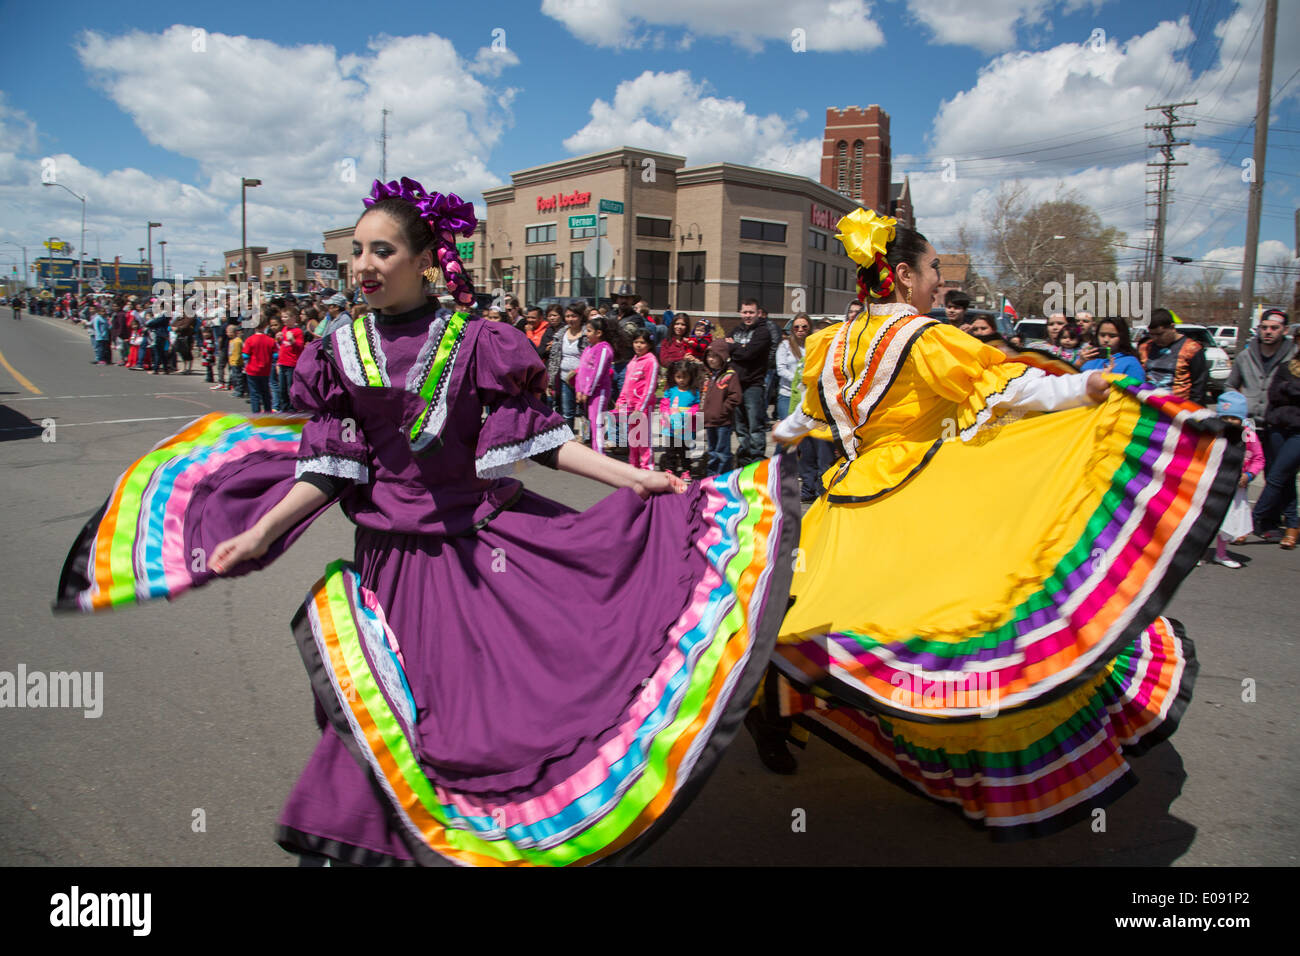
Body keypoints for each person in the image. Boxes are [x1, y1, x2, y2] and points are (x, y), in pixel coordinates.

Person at [54, 175, 800, 867]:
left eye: (382, 250)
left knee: (474, 722)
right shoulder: (339, 351)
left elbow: (547, 444)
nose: (364, 265)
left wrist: (635, 475)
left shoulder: (480, 342)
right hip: (384, 562)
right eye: (356, 251)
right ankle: (364, 842)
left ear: (424, 262)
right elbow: (329, 468)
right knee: (375, 720)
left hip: (472, 555)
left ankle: (471, 841)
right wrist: (259, 533)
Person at [752, 206, 1241, 836]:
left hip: (847, 498)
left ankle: (779, 715)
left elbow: (801, 419)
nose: (939, 282)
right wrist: (1085, 390)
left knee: (815, 618)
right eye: (931, 269)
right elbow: (1011, 391)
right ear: (901, 274)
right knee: (968, 616)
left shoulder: (831, 344)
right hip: (917, 490)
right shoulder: (926, 339)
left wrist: (770, 446)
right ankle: (971, 750)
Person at [1227, 309, 1296, 539]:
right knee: (1246, 472)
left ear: (1284, 330)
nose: (1268, 331)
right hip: (1249, 425)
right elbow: (1230, 385)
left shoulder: (1293, 357)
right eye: (1264, 327)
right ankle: (1248, 522)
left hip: (1279, 425)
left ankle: (1269, 521)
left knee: (1278, 473)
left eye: (1274, 328)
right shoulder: (1246, 356)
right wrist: (1238, 407)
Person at [1198, 391, 1263, 568]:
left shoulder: (1248, 434)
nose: (1229, 422)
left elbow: (1258, 458)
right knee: (1206, 519)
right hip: (1213, 484)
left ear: (1241, 419)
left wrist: (1249, 475)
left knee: (1228, 520)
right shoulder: (1215, 433)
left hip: (1236, 487)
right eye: (1225, 417)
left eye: (1234, 418)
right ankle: (1199, 552)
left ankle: (1221, 553)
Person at [1252, 323, 1300, 550]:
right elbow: (1274, 394)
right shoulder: (1287, 367)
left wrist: (1289, 389)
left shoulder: (1287, 374)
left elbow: (1286, 392)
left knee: (1277, 477)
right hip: (1278, 428)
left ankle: (1249, 520)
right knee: (1285, 479)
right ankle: (1292, 527)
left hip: (1298, 433)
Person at [726, 299, 772, 467]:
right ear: (740, 313)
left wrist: (735, 348)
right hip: (736, 384)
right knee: (740, 425)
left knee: (755, 425)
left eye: (751, 312)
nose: (748, 316)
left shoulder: (763, 332)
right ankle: (744, 456)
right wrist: (741, 348)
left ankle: (757, 458)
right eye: (745, 312)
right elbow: (726, 347)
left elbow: (749, 354)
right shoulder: (736, 330)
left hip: (754, 385)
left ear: (758, 313)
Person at [1139, 309, 1208, 404]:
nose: (1155, 338)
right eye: (1152, 334)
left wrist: (1192, 411)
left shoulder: (1192, 349)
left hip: (1179, 408)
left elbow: (1199, 385)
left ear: (1172, 327)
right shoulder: (1145, 347)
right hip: (1150, 405)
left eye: (1160, 334)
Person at [615, 330, 658, 470]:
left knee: (643, 440)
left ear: (649, 345)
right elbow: (626, 384)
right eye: (636, 342)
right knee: (632, 439)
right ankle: (633, 467)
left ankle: (647, 468)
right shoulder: (633, 361)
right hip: (630, 406)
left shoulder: (651, 361)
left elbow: (650, 387)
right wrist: (620, 401)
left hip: (643, 407)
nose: (638, 345)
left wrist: (640, 408)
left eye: (642, 342)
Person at [574, 314, 618, 452]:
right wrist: (578, 390)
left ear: (599, 333)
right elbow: (581, 371)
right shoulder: (588, 349)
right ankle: (594, 451)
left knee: (597, 423)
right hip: (587, 393)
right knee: (591, 423)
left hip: (598, 392)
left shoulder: (604, 349)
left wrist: (587, 391)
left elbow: (597, 372)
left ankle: (599, 454)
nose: (586, 334)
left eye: (589, 331)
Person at [700, 339, 741, 476]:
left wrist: (724, 410)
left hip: (723, 421)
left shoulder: (730, 375)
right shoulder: (708, 376)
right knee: (712, 451)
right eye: (709, 356)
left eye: (715, 356)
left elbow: (735, 396)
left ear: (723, 357)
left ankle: (724, 477)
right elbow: (703, 395)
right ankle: (712, 477)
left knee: (722, 452)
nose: (711, 359)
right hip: (709, 420)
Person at [546, 302, 586, 433]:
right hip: (564, 379)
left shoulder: (587, 334)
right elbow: (554, 359)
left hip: (583, 381)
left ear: (580, 317)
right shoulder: (561, 334)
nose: (570, 319)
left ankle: (587, 438)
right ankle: (568, 438)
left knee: (585, 413)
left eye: (573, 316)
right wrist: (551, 380)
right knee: (567, 411)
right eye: (568, 316)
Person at [658, 360, 701, 479]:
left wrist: (688, 413)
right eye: (678, 377)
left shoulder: (694, 392)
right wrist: (666, 414)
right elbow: (664, 404)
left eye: (684, 377)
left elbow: (696, 406)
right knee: (670, 450)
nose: (681, 380)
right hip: (671, 427)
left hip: (686, 427)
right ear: (674, 377)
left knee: (684, 451)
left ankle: (686, 470)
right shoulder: (671, 391)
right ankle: (670, 469)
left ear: (690, 377)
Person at [1081, 317, 1145, 382]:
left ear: (1122, 337)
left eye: (1112, 336)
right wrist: (1080, 362)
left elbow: (1136, 389)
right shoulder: (1088, 357)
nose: (1106, 340)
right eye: (1102, 335)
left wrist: (1109, 378)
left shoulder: (1131, 363)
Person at [775, 313, 811, 419]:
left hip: (807, 396)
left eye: (804, 327)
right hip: (788, 395)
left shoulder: (812, 345)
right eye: (796, 327)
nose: (800, 330)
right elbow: (781, 369)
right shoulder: (785, 345)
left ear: (809, 328)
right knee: (788, 432)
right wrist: (798, 379)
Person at [242, 321, 275, 412]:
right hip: (265, 370)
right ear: (265, 326)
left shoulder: (250, 340)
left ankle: (256, 413)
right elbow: (276, 355)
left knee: (254, 393)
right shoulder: (271, 340)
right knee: (265, 392)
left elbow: (245, 356)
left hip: (252, 370)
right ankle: (268, 411)